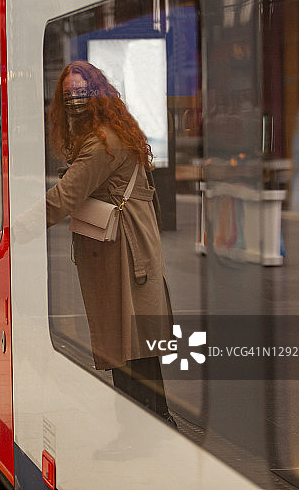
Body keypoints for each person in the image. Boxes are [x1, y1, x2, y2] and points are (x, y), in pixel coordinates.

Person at [45, 61, 176, 427]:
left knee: (124, 343)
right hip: (131, 247)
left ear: (98, 94)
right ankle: (157, 422)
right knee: (138, 345)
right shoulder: (109, 133)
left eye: (81, 93)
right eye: (68, 95)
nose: (74, 101)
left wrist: (8, 234)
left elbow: (62, 198)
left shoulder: (102, 142)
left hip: (125, 252)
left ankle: (139, 430)